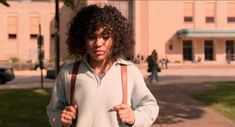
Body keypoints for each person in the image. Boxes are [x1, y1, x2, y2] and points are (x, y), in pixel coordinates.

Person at [47, 4, 159, 127]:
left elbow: (150, 106)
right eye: (91, 37)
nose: (98, 43)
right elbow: (53, 110)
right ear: (82, 38)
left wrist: (134, 117)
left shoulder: (129, 71)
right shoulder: (68, 72)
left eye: (105, 37)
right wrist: (61, 120)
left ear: (115, 38)